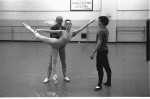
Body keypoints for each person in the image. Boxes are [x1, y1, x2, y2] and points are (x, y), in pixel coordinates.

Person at [23, 19, 95, 84]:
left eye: (69, 23)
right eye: (66, 24)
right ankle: (29, 28)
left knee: (55, 62)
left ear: (71, 25)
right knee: (38, 36)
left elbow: (82, 28)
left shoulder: (73, 33)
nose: (68, 25)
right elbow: (51, 31)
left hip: (58, 48)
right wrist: (41, 29)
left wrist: (90, 22)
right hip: (54, 42)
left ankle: (56, 76)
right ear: (65, 25)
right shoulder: (62, 31)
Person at [43, 16, 70, 83]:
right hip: (54, 47)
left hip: (62, 47)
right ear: (56, 20)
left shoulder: (64, 28)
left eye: (60, 20)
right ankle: (47, 77)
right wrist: (58, 34)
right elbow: (51, 37)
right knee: (51, 62)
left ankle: (65, 76)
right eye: (58, 20)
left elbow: (67, 36)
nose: (59, 21)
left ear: (62, 21)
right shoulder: (52, 28)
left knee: (63, 62)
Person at [90, 16, 112, 91]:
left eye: (99, 21)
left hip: (101, 51)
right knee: (106, 66)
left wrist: (93, 53)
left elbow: (99, 43)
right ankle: (108, 82)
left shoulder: (101, 31)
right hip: (105, 50)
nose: (98, 22)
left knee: (100, 68)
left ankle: (99, 85)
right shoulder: (106, 30)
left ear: (101, 22)